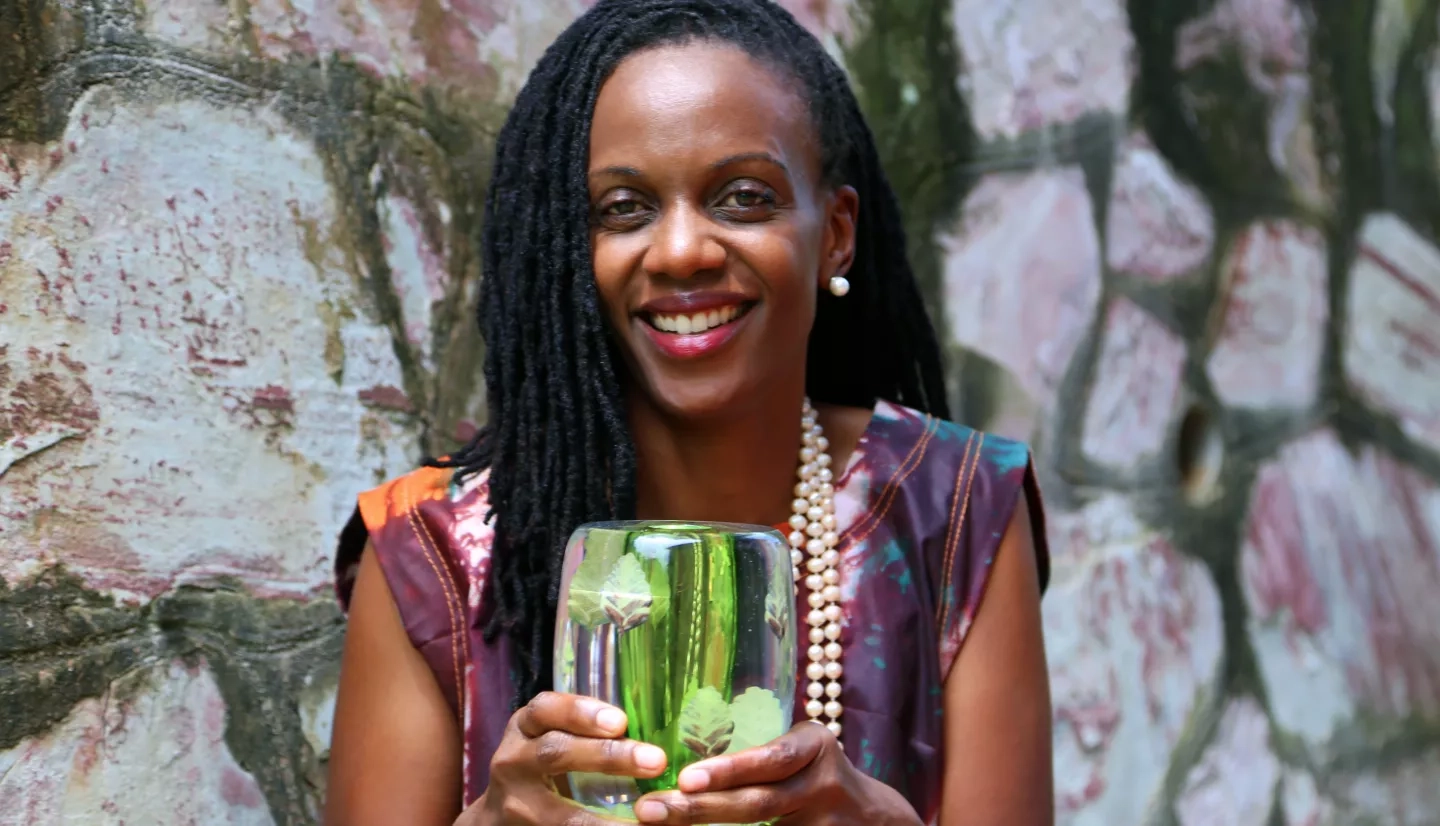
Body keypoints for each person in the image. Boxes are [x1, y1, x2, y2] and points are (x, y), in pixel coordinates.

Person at [324, 0, 1053, 824]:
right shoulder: (432, 556)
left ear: (837, 235)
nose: (680, 253)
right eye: (624, 209)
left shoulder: (952, 507)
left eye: (743, 197)